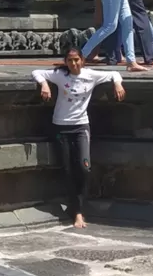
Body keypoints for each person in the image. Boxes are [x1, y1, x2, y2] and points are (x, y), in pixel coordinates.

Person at [33, 47, 125, 229]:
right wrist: (44, 84)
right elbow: (36, 71)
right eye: (70, 60)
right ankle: (76, 211)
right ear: (66, 62)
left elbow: (115, 73)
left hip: (81, 126)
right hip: (61, 126)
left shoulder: (90, 75)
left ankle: (80, 208)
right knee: (68, 170)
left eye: (76, 60)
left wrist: (118, 84)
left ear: (82, 61)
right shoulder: (60, 75)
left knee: (84, 168)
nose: (73, 64)